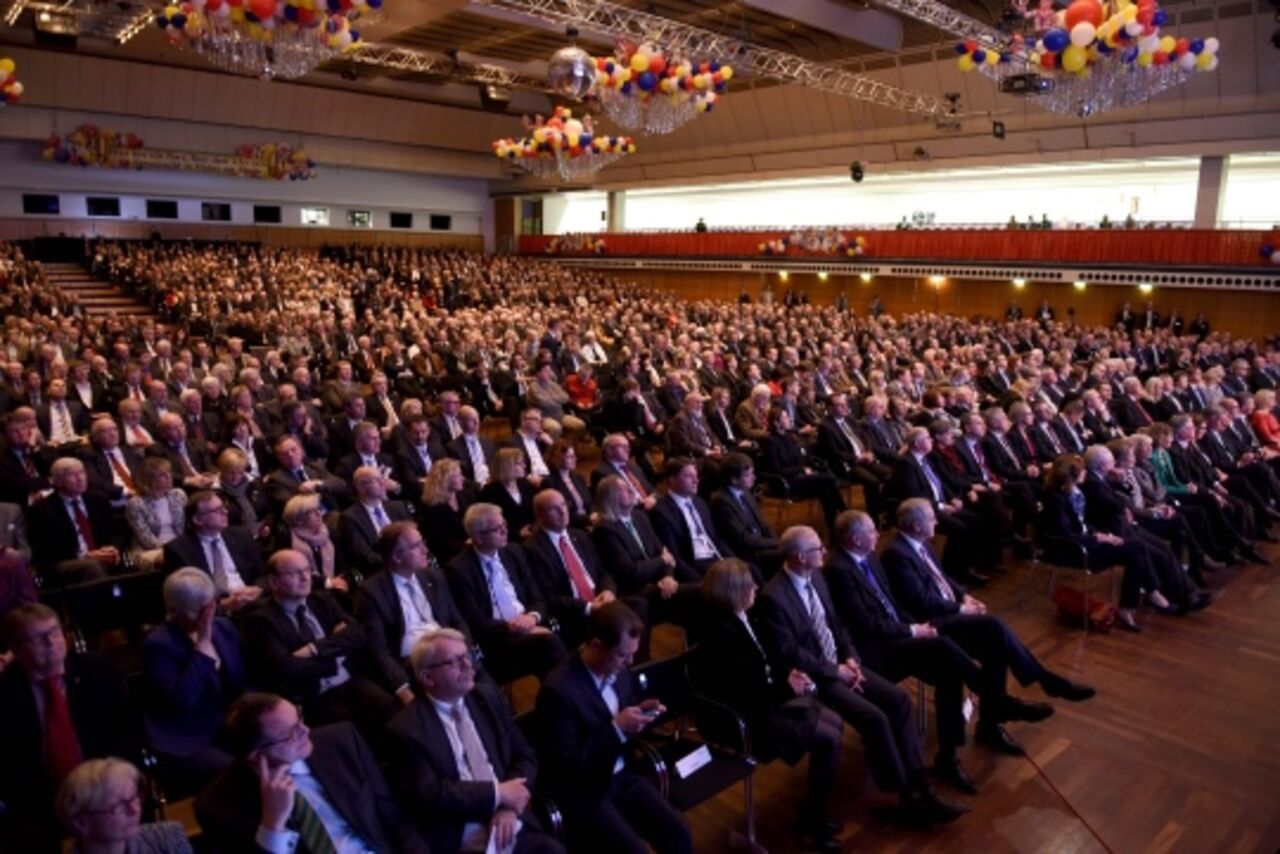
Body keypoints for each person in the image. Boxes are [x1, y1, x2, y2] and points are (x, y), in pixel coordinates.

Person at [755, 526, 967, 824]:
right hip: (817, 676)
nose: (824, 552)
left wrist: (852, 658)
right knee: (875, 718)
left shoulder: (816, 576)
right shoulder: (773, 597)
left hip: (842, 664)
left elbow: (836, 624)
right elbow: (790, 653)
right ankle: (907, 794)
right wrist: (835, 670)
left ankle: (919, 784)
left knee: (898, 701)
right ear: (800, 557)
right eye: (817, 549)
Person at [869, 505, 1093, 755]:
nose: (937, 523)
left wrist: (965, 597)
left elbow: (943, 578)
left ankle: (991, 725)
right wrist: (960, 609)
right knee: (993, 626)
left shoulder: (922, 544)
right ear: (915, 525)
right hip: (932, 623)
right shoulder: (896, 554)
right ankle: (1038, 684)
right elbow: (919, 601)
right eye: (932, 519)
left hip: (948, 615)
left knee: (995, 646)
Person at [696, 558, 844, 850]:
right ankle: (813, 820)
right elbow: (745, 691)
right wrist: (786, 688)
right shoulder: (722, 633)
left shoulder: (745, 618)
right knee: (827, 738)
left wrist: (787, 675)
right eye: (748, 583)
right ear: (733, 590)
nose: (755, 587)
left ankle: (814, 812)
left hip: (764, 700)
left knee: (834, 723)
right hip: (747, 717)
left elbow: (765, 663)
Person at [387, 628, 565, 854]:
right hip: (464, 838)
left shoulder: (486, 697)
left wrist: (508, 807)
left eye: (467, 656)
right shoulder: (406, 730)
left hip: (511, 823)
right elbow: (431, 795)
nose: (468, 666)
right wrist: (498, 794)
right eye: (454, 662)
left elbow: (524, 754)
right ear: (427, 677)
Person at [534, 602, 693, 854]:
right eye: (622, 654)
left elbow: (621, 709)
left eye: (632, 654)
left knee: (678, 831)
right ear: (596, 645)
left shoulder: (618, 670)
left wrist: (638, 714)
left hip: (622, 775)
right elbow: (567, 768)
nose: (630, 662)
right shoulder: (558, 691)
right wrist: (616, 729)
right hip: (586, 792)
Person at [195, 692, 428, 853]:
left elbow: (394, 818)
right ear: (257, 756)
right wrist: (272, 825)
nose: (306, 731)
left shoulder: (341, 741)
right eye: (291, 733)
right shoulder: (218, 806)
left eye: (300, 719)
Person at [0, 603, 134, 853]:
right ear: (16, 649)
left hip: (103, 788)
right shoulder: (6, 693)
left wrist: (110, 782)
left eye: (55, 632)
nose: (52, 642)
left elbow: (126, 729)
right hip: (39, 801)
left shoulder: (95, 671)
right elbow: (9, 766)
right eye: (39, 638)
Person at [243, 549, 398, 733]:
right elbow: (286, 668)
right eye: (294, 573)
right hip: (313, 695)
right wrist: (336, 654)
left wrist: (314, 649)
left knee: (391, 711)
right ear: (273, 582)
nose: (304, 578)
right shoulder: (261, 621)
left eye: (307, 570)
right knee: (349, 728)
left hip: (349, 679)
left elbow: (358, 634)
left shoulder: (322, 599)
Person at [141, 568, 246, 794]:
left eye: (210, 609)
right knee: (239, 772)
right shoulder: (158, 645)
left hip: (230, 724)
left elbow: (243, 682)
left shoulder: (225, 628)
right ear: (173, 611)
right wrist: (203, 646)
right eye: (198, 613)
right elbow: (183, 698)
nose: (206, 618)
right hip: (188, 738)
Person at [357, 521, 474, 707]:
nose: (425, 550)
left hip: (449, 651)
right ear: (397, 556)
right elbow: (379, 651)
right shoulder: (372, 592)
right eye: (416, 546)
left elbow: (456, 620)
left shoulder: (434, 577)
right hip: (413, 663)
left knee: (483, 690)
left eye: (422, 542)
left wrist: (465, 652)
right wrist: (402, 688)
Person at [447, 503, 567, 684]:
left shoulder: (514, 552)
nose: (505, 531)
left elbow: (536, 597)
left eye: (504, 525)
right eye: (497, 529)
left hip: (530, 625)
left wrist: (533, 617)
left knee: (551, 641)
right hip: (498, 639)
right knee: (548, 643)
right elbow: (475, 620)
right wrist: (515, 627)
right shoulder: (459, 569)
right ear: (478, 537)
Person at [1037, 455, 1158, 632]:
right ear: (1072, 475)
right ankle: (1142, 598)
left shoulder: (1075, 493)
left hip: (1087, 542)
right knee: (1137, 549)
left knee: (1137, 552)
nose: (1086, 472)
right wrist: (1100, 538)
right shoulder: (1055, 499)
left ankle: (1134, 603)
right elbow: (1067, 535)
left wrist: (1103, 534)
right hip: (1073, 550)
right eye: (1082, 470)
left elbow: (1082, 525)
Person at [57, 758, 192, 854]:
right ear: (81, 823)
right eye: (119, 806)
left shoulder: (169, 839)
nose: (134, 810)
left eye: (134, 798)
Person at [162, 491, 264, 614]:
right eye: (217, 510)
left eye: (223, 507)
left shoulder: (241, 535)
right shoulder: (178, 550)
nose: (225, 512)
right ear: (198, 520)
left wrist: (257, 589)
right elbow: (185, 597)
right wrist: (222, 605)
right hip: (212, 611)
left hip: (251, 602)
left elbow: (262, 575)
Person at [28, 456, 121, 585]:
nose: (80, 478)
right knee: (93, 567)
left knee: (129, 561)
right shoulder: (42, 510)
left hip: (102, 554)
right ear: (57, 481)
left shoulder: (99, 500)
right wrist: (84, 556)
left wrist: (112, 548)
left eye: (82, 472)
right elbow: (46, 551)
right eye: (72, 475)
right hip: (67, 561)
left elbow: (116, 532)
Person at [337, 464, 412, 579]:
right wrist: (395, 562)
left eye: (381, 478)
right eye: (375, 481)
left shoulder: (398, 507)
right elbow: (363, 555)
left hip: (408, 562)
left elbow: (414, 537)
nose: (383, 483)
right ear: (361, 488)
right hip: (380, 571)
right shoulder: (350, 518)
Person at [280, 494, 351, 597]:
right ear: (299, 518)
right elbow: (294, 574)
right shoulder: (288, 540)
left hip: (336, 589)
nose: (319, 514)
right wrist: (327, 583)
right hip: (306, 592)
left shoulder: (330, 533)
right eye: (312, 512)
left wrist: (341, 581)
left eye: (318, 509)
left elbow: (342, 564)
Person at [123, 457, 187, 571]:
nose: (169, 477)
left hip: (179, 545)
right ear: (149, 480)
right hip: (147, 550)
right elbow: (146, 538)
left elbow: (188, 526)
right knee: (174, 558)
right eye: (162, 475)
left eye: (169, 473)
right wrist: (174, 549)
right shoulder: (136, 504)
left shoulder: (178, 495)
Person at [418, 458, 475, 566]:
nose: (462, 479)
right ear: (445, 479)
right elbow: (437, 540)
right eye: (457, 475)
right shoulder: (431, 506)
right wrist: (465, 545)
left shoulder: (466, 496)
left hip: (473, 547)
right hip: (451, 556)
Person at [481, 447, 539, 541]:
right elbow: (491, 523)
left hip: (532, 537)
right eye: (520, 463)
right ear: (508, 466)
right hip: (507, 540)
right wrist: (517, 533)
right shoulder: (490, 491)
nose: (524, 466)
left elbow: (534, 512)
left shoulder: (525, 485)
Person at [543, 440, 594, 529]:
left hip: (588, 523)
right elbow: (560, 513)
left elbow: (590, 502)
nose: (575, 459)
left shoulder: (578, 478)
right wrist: (588, 519)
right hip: (570, 527)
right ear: (558, 458)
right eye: (570, 457)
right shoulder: (549, 482)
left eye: (574, 456)